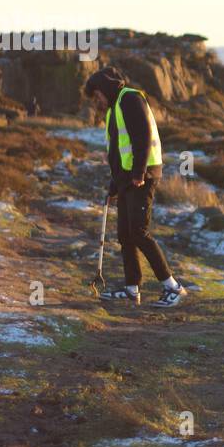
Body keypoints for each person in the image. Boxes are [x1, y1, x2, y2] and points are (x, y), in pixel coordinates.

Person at [82, 66, 187, 307]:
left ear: (105, 89)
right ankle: (132, 288)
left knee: (139, 232)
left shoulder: (129, 98)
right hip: (128, 178)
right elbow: (119, 152)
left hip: (143, 175)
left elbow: (143, 135)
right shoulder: (114, 108)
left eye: (97, 95)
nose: (96, 101)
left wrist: (139, 171)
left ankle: (173, 286)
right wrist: (114, 184)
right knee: (125, 235)